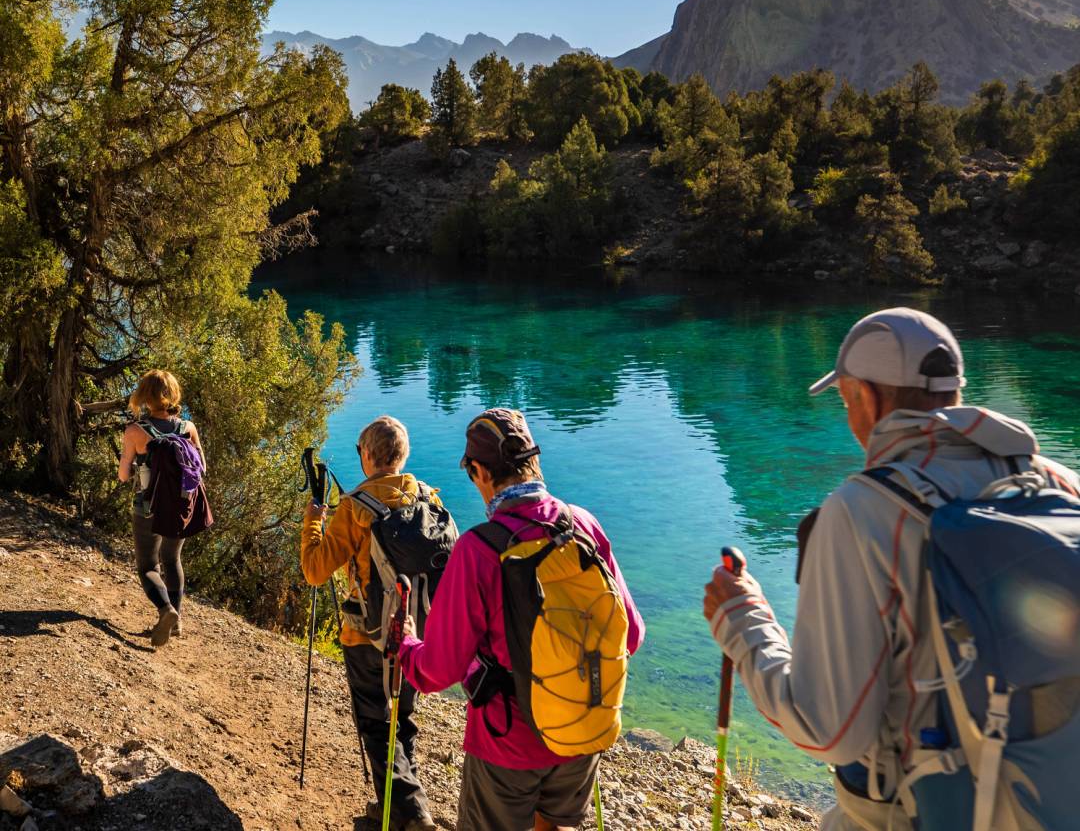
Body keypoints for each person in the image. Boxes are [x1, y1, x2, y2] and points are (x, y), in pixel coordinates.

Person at [702, 307, 1080, 830]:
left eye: (845, 399)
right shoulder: (1056, 483)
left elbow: (826, 730)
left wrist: (742, 621)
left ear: (866, 396)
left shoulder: (862, 511)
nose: (849, 417)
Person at [398, 408, 645, 831]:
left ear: (479, 471)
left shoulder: (478, 550)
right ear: (535, 460)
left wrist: (406, 644)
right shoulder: (582, 525)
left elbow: (438, 671)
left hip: (507, 743)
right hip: (583, 729)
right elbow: (631, 635)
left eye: (472, 475)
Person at [300, 416, 438, 831]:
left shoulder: (354, 508)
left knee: (376, 725)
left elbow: (315, 571)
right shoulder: (427, 497)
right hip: (415, 632)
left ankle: (411, 812)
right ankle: (393, 808)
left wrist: (313, 522)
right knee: (402, 721)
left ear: (366, 456)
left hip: (366, 635)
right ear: (402, 456)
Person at [118, 369, 205, 646]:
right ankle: (176, 622)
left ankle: (166, 609)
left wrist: (136, 465)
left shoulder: (135, 431)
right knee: (172, 559)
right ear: (173, 395)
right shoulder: (188, 428)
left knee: (147, 565)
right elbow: (202, 467)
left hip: (148, 506)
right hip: (180, 506)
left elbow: (123, 476)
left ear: (144, 396)